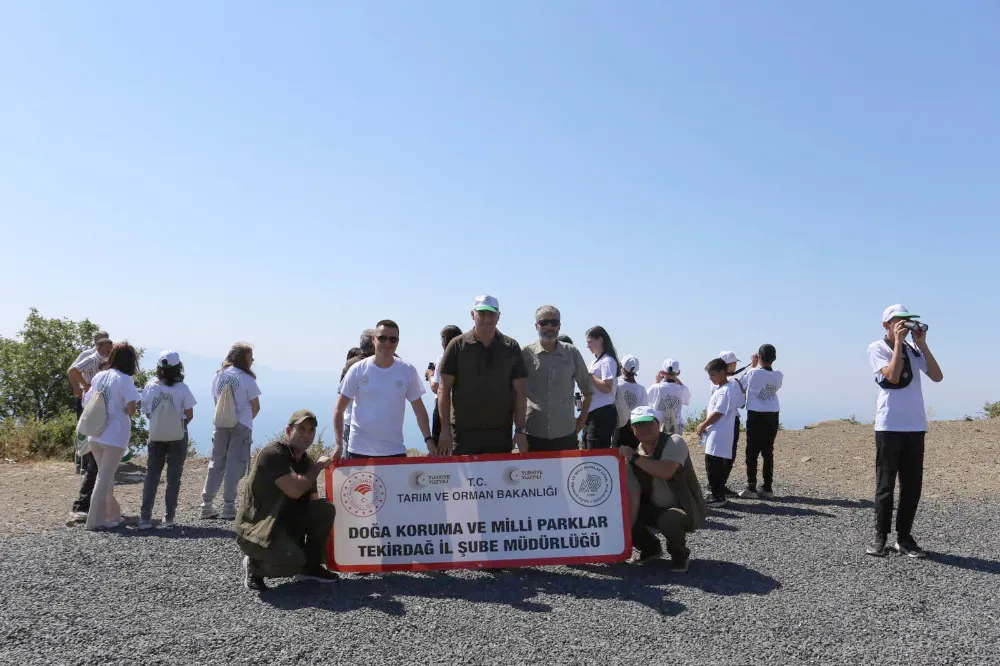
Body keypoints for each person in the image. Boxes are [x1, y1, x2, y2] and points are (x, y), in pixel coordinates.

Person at [865, 305, 943, 558]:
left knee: (912, 486)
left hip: (915, 426)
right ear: (886, 325)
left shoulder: (914, 349)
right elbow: (893, 376)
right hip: (889, 426)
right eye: (900, 322)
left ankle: (905, 537)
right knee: (885, 486)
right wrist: (898, 343)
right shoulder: (877, 347)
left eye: (908, 323)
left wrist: (922, 344)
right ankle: (880, 537)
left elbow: (937, 376)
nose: (905, 327)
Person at [237, 409, 338, 591]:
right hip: (259, 529)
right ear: (288, 431)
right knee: (293, 561)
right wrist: (317, 468)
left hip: (284, 525)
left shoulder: (306, 462)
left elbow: (313, 502)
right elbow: (295, 490)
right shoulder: (272, 454)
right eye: (301, 429)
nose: (306, 435)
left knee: (324, 509)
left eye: (311, 430)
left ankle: (311, 568)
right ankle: (254, 567)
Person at [437, 295, 529, 456]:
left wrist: (520, 430)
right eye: (482, 313)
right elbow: (443, 390)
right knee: (464, 481)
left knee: (499, 480)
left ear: (498, 316)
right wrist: (444, 431)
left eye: (491, 314)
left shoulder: (511, 346)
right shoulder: (457, 346)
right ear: (473, 315)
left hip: (499, 433)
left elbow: (520, 391)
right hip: (463, 433)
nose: (487, 319)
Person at [620, 406, 706, 571]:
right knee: (624, 513)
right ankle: (650, 548)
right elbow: (634, 498)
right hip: (654, 509)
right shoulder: (633, 459)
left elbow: (666, 471)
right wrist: (626, 534)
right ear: (633, 430)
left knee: (670, 519)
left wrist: (633, 457)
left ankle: (680, 555)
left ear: (658, 423)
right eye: (638, 425)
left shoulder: (675, 441)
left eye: (648, 423)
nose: (644, 428)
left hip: (684, 508)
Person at [334, 320, 434, 459]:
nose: (387, 343)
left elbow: (419, 409)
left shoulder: (407, 370)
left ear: (397, 342)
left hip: (394, 450)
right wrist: (339, 445)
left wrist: (428, 439)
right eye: (382, 338)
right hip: (359, 450)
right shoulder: (357, 369)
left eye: (393, 339)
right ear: (374, 339)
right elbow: (339, 409)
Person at [81, 342, 141, 531]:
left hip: (96, 434)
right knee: (104, 479)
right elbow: (132, 409)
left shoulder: (100, 376)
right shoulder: (125, 380)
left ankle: (112, 515)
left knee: (106, 478)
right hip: (114, 436)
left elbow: (86, 400)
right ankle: (95, 521)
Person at [201, 342, 261, 520]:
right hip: (241, 424)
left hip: (220, 424)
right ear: (244, 358)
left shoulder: (219, 375)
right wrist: (245, 421)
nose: (253, 360)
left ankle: (206, 504)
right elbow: (255, 406)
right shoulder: (247, 379)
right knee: (235, 463)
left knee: (216, 461)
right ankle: (228, 505)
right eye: (251, 356)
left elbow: (216, 400)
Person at [138, 351, 197, 529]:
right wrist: (177, 425)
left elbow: (148, 412)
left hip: (156, 435)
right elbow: (189, 414)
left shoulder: (151, 386)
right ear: (178, 368)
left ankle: (145, 518)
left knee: (152, 475)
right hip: (178, 435)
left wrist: (161, 423)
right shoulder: (182, 388)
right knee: (174, 476)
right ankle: (169, 517)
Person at [521, 306, 593, 451]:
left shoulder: (572, 353)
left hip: (565, 434)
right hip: (533, 434)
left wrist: (581, 421)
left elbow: (588, 391)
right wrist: (519, 430)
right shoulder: (525, 354)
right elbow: (516, 393)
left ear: (559, 326)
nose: (549, 326)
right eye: (544, 322)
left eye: (554, 322)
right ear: (536, 326)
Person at [66, 331, 114, 524]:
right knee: (95, 457)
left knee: (97, 457)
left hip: (98, 408)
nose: (109, 351)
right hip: (93, 408)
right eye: (107, 348)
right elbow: (72, 370)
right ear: (98, 345)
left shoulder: (103, 358)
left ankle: (96, 504)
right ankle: (83, 505)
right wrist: (84, 386)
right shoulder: (90, 357)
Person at [738, 345, 783, 499]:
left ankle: (751, 487)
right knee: (768, 451)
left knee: (752, 451)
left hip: (756, 415)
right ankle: (767, 487)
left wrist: (753, 365)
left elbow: (741, 385)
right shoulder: (779, 375)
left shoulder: (753, 372)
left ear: (759, 357)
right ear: (774, 358)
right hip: (772, 415)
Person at [695, 358, 739, 508]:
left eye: (713, 375)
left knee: (713, 465)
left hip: (718, 434)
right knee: (714, 465)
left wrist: (703, 424)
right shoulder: (723, 389)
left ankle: (718, 496)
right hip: (717, 433)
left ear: (722, 372)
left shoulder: (725, 390)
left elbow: (719, 412)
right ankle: (716, 493)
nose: (710, 378)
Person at [425, 325, 463, 449]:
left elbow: (436, 387)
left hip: (443, 405)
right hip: (462, 404)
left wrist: (430, 375)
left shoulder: (443, 358)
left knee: (440, 444)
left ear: (445, 340)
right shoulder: (466, 357)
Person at [582, 326, 621, 449]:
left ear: (600, 340)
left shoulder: (607, 361)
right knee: (587, 449)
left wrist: (589, 375)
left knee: (595, 451)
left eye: (589, 342)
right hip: (591, 412)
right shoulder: (596, 361)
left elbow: (607, 388)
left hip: (602, 413)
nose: (588, 346)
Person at [717, 350, 747, 495]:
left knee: (716, 453)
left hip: (716, 421)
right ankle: (721, 484)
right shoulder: (733, 383)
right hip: (731, 420)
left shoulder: (715, 380)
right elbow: (741, 404)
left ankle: (716, 484)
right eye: (735, 363)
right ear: (731, 364)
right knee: (729, 453)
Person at [647, 359, 691, 434]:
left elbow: (647, 397)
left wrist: (657, 381)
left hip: (658, 426)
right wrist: (675, 376)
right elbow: (687, 401)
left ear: (663, 372)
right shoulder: (683, 389)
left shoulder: (656, 387)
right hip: (676, 427)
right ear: (678, 373)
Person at [615, 355, 648, 450]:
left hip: (620, 426)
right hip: (636, 426)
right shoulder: (641, 389)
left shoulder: (616, 385)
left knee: (618, 456)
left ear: (623, 368)